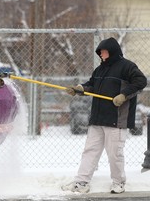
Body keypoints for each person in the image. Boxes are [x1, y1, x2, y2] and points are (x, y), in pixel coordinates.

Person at [61, 37, 147, 194]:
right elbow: (92, 85)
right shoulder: (100, 69)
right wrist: (80, 89)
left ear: (112, 51)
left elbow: (141, 81)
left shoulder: (127, 67)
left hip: (116, 118)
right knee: (90, 151)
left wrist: (123, 95)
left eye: (104, 51)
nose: (101, 54)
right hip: (97, 119)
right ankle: (82, 182)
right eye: (99, 52)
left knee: (115, 153)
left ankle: (118, 182)